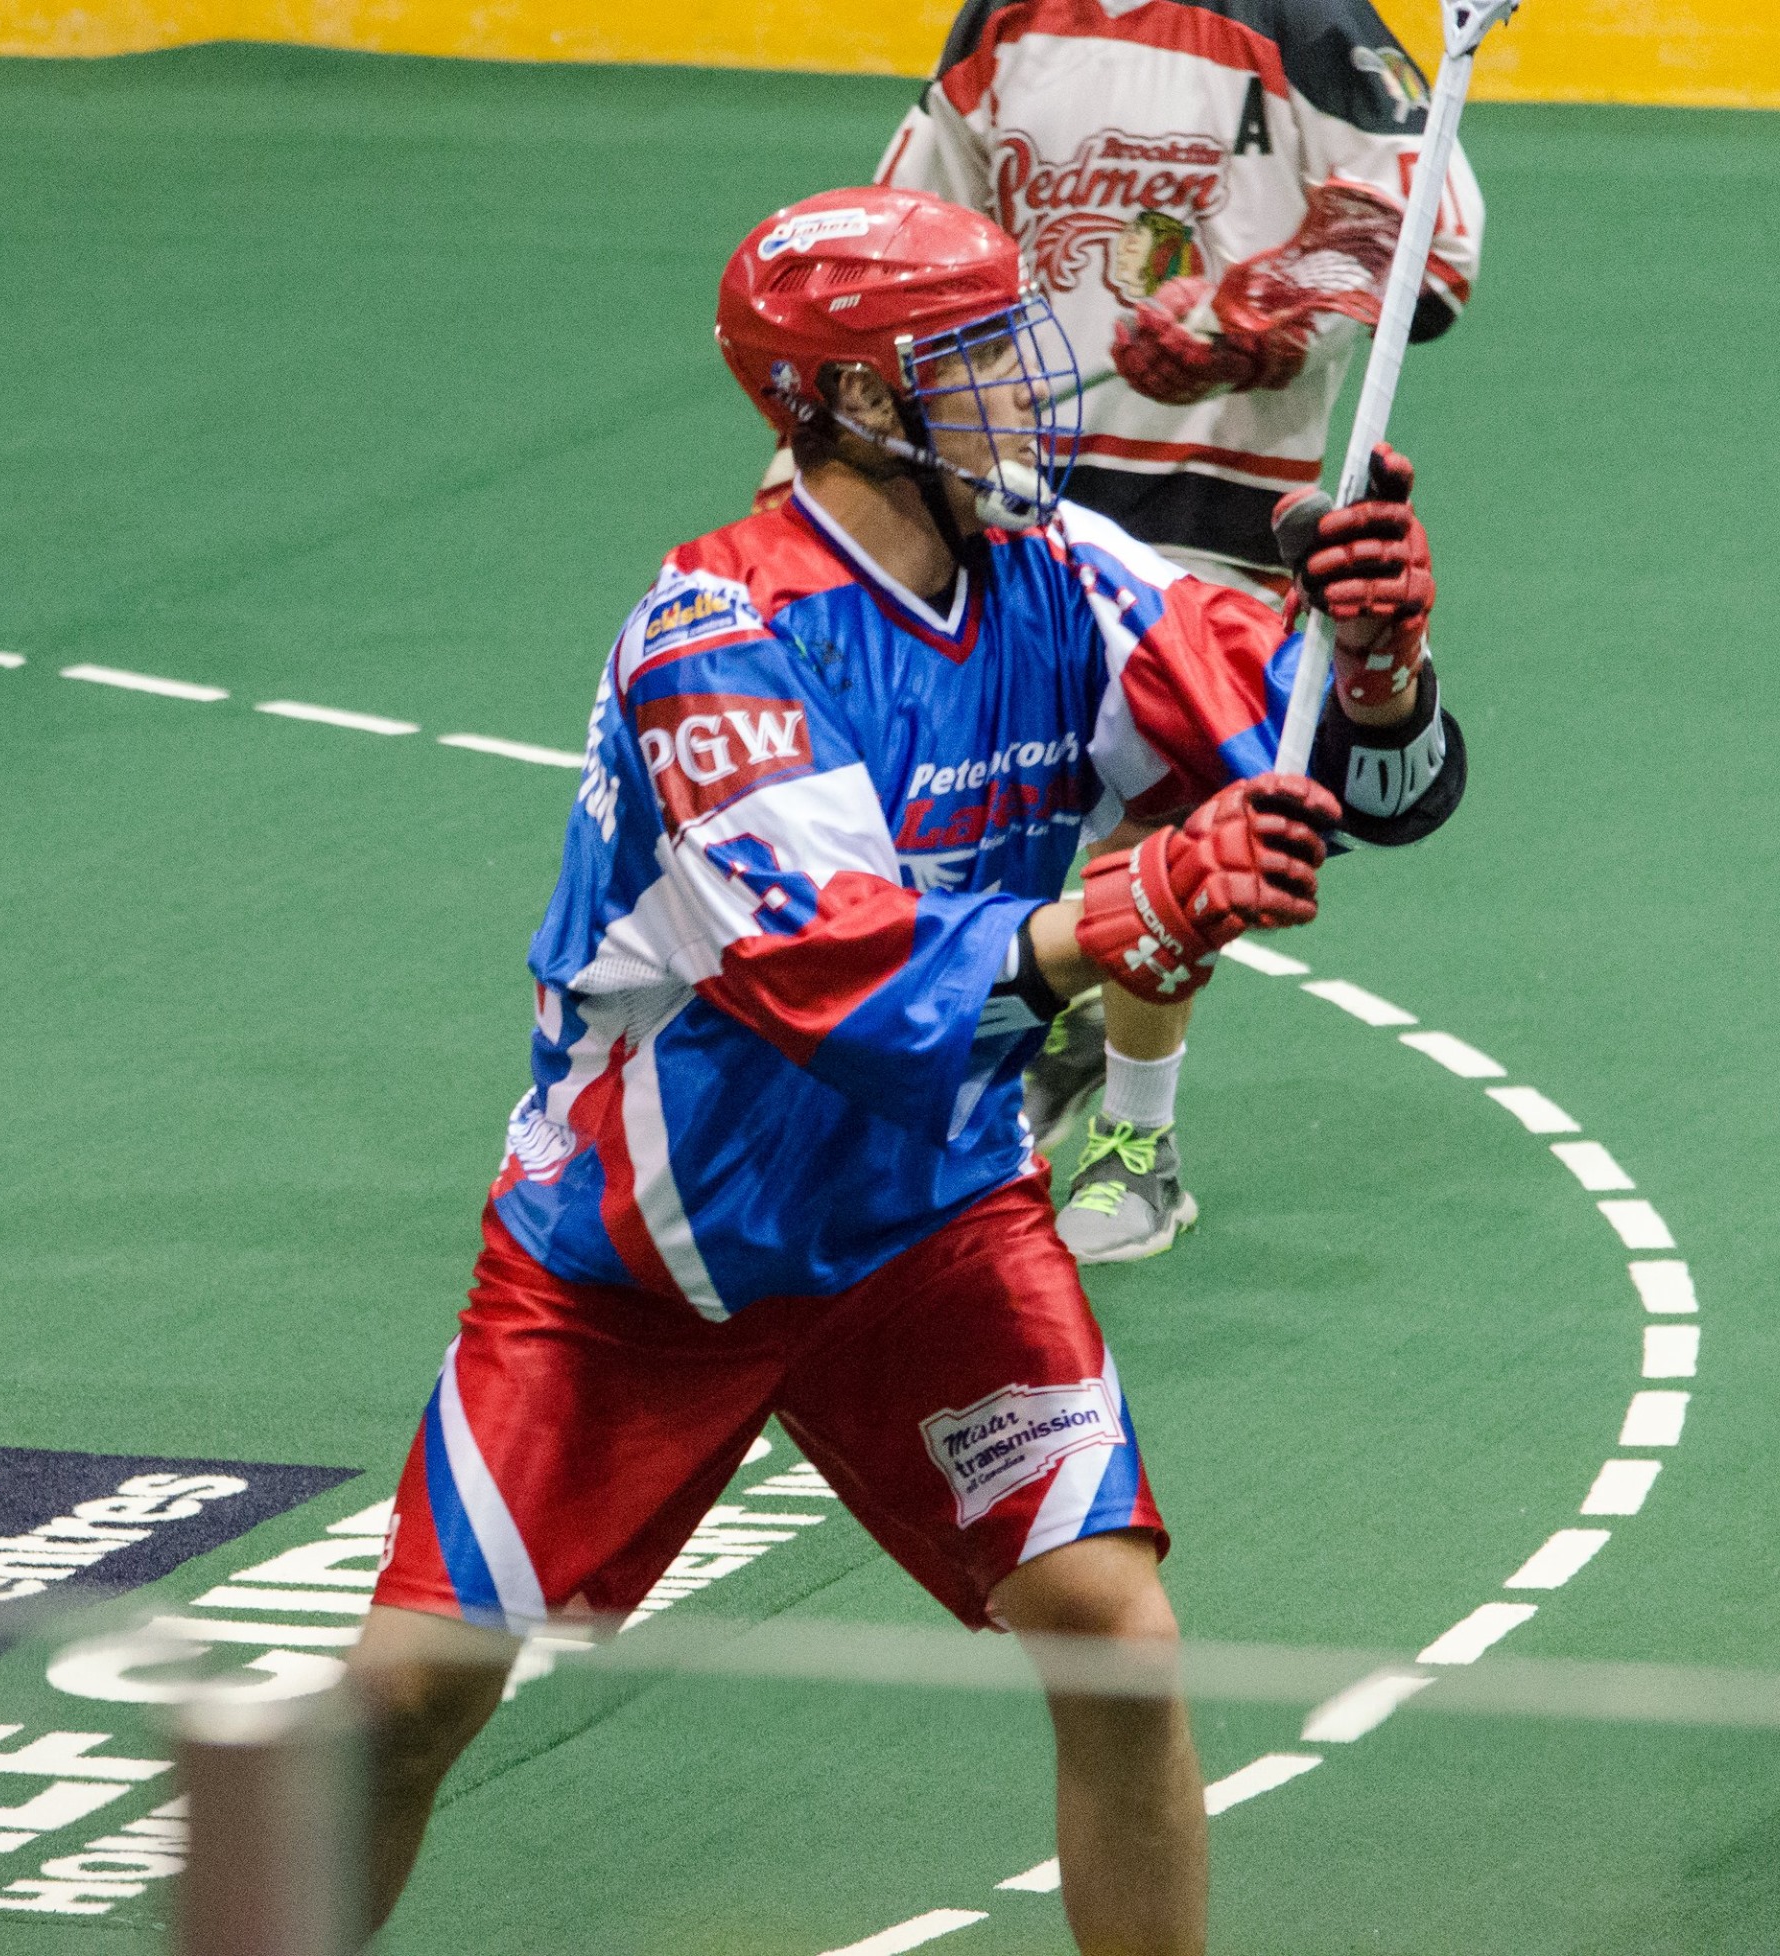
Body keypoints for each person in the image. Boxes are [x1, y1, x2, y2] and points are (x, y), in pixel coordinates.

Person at [351, 185, 1463, 1955]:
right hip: (640, 1255)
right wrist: (1137, 892)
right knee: (404, 1704)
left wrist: (1382, 665)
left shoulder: (1073, 580)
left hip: (924, 1220)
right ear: (852, 402)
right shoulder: (718, 638)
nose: (1025, 392)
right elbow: (844, 985)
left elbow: (1360, 781)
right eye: (973, 363)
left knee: (1113, 1632)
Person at [875, 0, 1486, 1261]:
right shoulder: (1004, 21)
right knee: (963, 798)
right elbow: (910, 242)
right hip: (1007, 487)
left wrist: (1269, 306)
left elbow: (1433, 236)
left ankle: (1136, 1142)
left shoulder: (1302, 21)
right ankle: (1027, 1042)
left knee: (1165, 821)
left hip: (1217, 502)